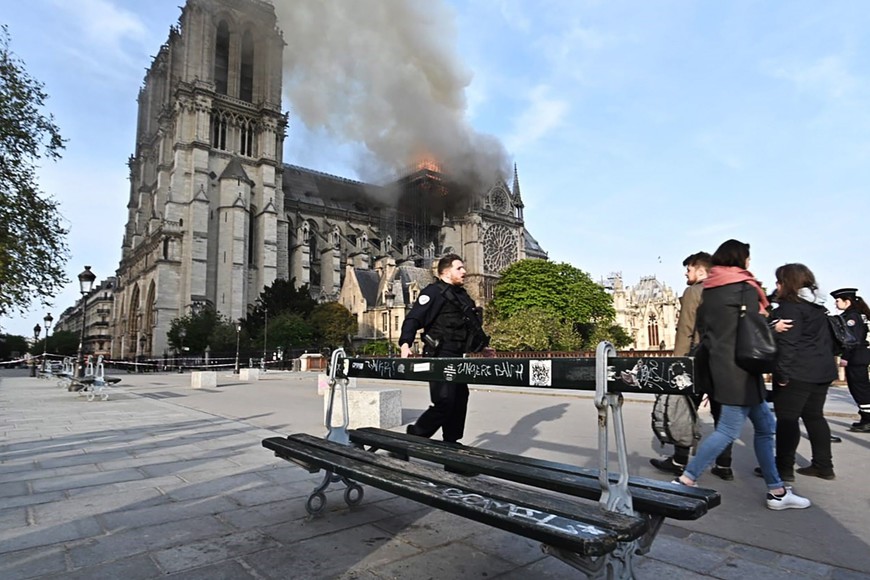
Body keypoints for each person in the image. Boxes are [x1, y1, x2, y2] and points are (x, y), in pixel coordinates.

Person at [674, 239, 811, 510]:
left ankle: (777, 490)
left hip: (720, 367)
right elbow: (753, 331)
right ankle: (686, 479)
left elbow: (707, 332)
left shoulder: (709, 290)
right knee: (727, 430)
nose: (749, 263)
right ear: (740, 259)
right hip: (742, 371)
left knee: (764, 427)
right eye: (748, 258)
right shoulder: (744, 288)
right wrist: (773, 329)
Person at [650, 252, 734, 480]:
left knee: (684, 412)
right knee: (722, 416)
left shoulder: (694, 291)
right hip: (726, 363)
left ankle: (679, 460)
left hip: (698, 363)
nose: (686, 273)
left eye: (688, 269)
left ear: (700, 270)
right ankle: (724, 465)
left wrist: (677, 364)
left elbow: (685, 331)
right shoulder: (727, 291)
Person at [399, 254, 487, 446]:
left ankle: (451, 444)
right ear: (446, 272)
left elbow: (471, 326)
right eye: (459, 268)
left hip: (456, 356)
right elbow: (413, 318)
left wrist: (483, 347)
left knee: (460, 399)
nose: (464, 271)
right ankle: (412, 438)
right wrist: (405, 344)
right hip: (439, 355)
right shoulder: (433, 292)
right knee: (445, 401)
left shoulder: (462, 296)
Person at [767, 264, 838, 480]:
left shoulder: (790, 308)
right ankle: (824, 466)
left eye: (779, 281)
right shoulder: (817, 307)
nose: (776, 286)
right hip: (822, 371)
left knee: (787, 420)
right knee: (815, 417)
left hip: (798, 372)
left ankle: (783, 469)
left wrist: (782, 374)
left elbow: (789, 345)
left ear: (787, 283)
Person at [830, 287, 870, 432]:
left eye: (837, 301)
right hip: (860, 356)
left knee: (861, 390)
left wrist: (845, 357)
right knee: (861, 389)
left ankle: (868, 420)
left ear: (847, 302)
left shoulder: (852, 317)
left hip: (856, 357)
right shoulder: (858, 315)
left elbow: (852, 340)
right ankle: (865, 418)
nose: (835, 304)